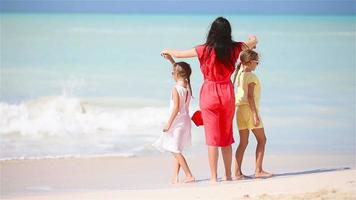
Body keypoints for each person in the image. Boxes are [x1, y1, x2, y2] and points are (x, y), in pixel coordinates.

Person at [161, 17, 258, 182]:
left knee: (212, 138)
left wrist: (167, 50)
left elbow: (178, 54)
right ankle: (227, 175)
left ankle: (214, 178)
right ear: (228, 32)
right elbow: (253, 42)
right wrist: (253, 38)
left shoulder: (203, 49)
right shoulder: (236, 48)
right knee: (226, 137)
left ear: (212, 31)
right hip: (227, 92)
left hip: (209, 93)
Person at [152, 54, 195, 184]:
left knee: (174, 150)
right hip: (186, 121)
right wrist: (171, 61)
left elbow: (176, 108)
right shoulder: (187, 86)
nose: (171, 74)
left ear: (176, 75)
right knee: (177, 149)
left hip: (178, 121)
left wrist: (168, 124)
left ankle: (189, 175)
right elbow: (181, 71)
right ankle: (175, 177)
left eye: (172, 72)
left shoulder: (176, 88)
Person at [234, 49, 273, 179]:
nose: (257, 65)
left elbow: (241, 58)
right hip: (250, 110)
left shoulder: (239, 73)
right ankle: (258, 170)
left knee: (243, 142)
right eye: (257, 62)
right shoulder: (251, 76)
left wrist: (251, 45)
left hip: (239, 111)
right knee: (262, 140)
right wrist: (255, 114)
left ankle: (237, 172)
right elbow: (250, 97)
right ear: (250, 63)